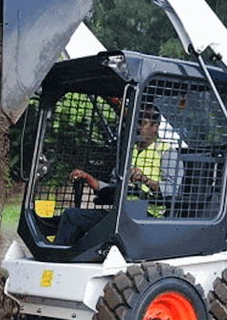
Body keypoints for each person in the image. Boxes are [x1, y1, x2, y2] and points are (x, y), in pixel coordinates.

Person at [52, 104, 170, 246]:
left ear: (155, 127)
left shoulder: (166, 151)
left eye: (143, 124)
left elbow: (172, 190)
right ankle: (59, 259)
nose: (138, 128)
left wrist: (144, 179)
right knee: (71, 216)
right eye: (138, 123)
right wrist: (86, 176)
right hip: (120, 214)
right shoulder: (127, 152)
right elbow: (111, 187)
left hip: (146, 217)